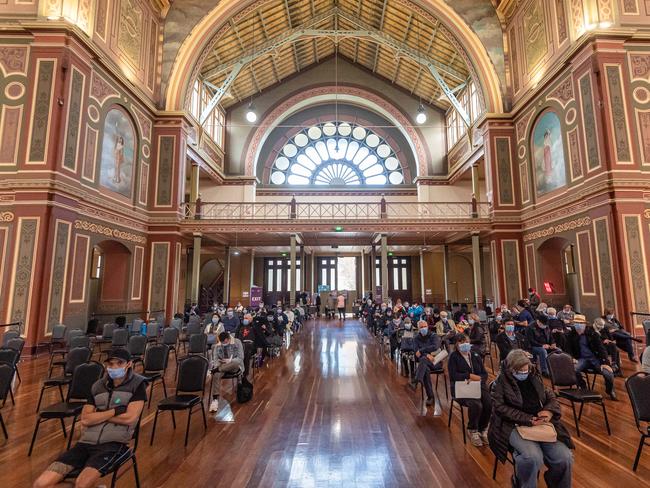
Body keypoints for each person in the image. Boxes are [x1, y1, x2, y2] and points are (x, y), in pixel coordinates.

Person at [33, 349, 146, 488]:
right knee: (40, 484)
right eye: (111, 364)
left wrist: (98, 415)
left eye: (119, 363)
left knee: (81, 484)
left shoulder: (137, 384)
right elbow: (85, 419)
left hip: (113, 444)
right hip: (85, 443)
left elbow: (130, 418)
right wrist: (114, 412)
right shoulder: (97, 386)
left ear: (128, 364)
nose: (114, 367)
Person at [488, 349, 574, 488]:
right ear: (511, 369)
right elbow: (500, 408)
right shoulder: (501, 382)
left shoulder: (534, 375)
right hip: (513, 425)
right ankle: (522, 484)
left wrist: (549, 411)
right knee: (532, 457)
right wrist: (528, 419)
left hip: (540, 423)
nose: (524, 373)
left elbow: (550, 396)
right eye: (520, 371)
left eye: (525, 369)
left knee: (564, 457)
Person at [448, 334, 492, 447]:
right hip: (461, 387)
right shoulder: (453, 357)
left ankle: (482, 429)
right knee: (476, 404)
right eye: (461, 342)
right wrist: (469, 376)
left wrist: (480, 379)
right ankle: (472, 429)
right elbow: (453, 376)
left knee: (488, 403)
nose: (464, 344)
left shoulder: (475, 355)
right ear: (456, 345)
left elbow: (484, 373)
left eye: (466, 342)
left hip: (477, 385)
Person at [565, 315, 616, 400]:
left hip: (595, 359)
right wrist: (572, 358)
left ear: (584, 324)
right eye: (576, 323)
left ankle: (609, 390)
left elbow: (601, 348)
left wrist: (605, 363)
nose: (578, 325)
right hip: (582, 359)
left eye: (581, 323)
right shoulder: (571, 334)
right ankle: (583, 386)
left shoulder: (592, 333)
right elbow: (567, 348)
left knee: (608, 374)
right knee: (573, 369)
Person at [411, 320, 443, 411]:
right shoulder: (416, 338)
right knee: (425, 368)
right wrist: (426, 355)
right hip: (424, 362)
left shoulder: (433, 336)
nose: (423, 328)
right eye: (421, 327)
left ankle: (417, 377)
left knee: (423, 362)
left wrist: (422, 351)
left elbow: (435, 346)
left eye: (425, 326)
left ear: (427, 326)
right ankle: (430, 397)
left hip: (436, 361)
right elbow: (415, 353)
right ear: (418, 328)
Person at [209, 332, 245, 412]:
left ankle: (217, 370)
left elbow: (240, 358)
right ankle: (215, 399)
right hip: (222, 366)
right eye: (222, 342)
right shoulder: (217, 345)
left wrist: (230, 360)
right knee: (216, 374)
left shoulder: (237, 342)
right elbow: (215, 359)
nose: (223, 344)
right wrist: (218, 365)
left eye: (225, 342)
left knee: (235, 363)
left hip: (233, 365)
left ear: (229, 339)